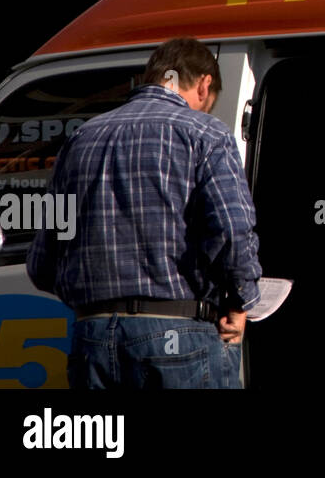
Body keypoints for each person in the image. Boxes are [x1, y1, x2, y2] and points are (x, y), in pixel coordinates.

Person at [27, 37, 262, 388]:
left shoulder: (79, 139)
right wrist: (243, 299)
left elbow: (43, 260)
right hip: (180, 333)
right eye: (207, 104)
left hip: (93, 338)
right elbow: (231, 229)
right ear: (204, 83)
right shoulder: (205, 133)